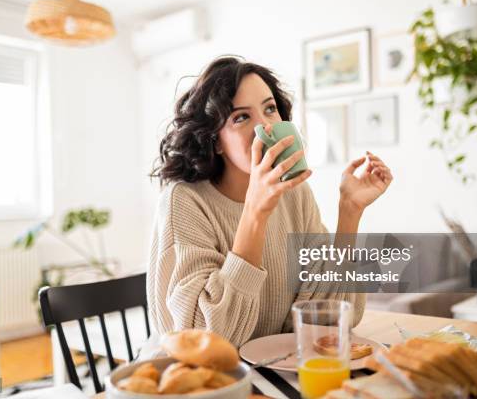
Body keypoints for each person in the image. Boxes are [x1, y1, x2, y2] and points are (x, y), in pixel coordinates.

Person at [147, 56, 393, 347]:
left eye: (270, 109)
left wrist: (349, 212)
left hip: (274, 371)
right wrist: (255, 212)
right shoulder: (184, 201)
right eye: (241, 117)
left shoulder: (294, 193)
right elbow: (205, 341)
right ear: (215, 140)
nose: (264, 127)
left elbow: (330, 319)